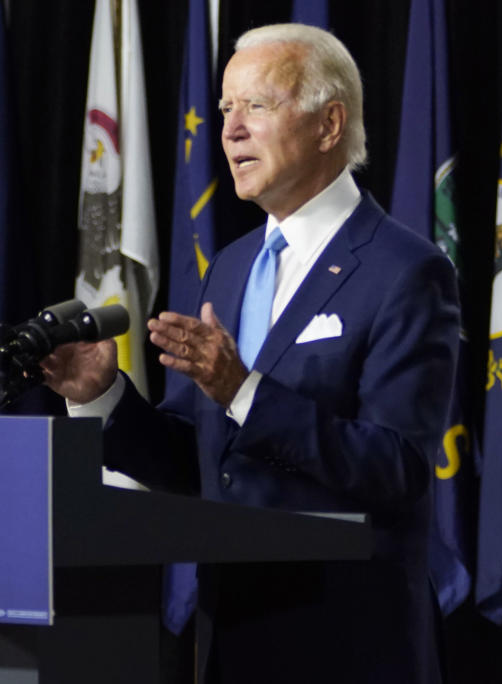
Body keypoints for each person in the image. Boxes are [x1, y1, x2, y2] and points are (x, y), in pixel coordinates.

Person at [42, 23, 458, 684]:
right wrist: (103, 395)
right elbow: (202, 458)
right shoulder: (232, 267)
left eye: (256, 106)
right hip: (233, 640)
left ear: (329, 125)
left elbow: (397, 467)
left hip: (346, 645)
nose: (230, 129)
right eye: (226, 108)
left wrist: (243, 390)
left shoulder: (406, 271)